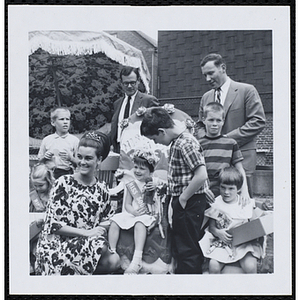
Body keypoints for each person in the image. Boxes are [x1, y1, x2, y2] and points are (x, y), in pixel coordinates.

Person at [35, 131, 120, 275]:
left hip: (85, 245)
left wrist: (100, 228)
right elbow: (52, 224)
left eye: (88, 158)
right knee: (100, 247)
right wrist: (86, 233)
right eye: (79, 157)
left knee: (114, 260)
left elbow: (108, 218)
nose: (82, 162)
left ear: (99, 160)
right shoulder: (64, 183)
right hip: (56, 245)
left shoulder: (102, 188)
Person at [140, 107, 214, 274]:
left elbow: (201, 175)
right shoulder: (178, 142)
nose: (155, 143)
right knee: (181, 243)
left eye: (154, 139)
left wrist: (182, 199)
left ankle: (190, 283)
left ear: (161, 131)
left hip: (190, 201)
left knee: (188, 247)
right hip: (185, 200)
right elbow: (184, 176)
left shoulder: (185, 143)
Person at [197, 53, 266, 197]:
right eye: (205, 75)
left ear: (223, 68)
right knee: (214, 209)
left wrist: (226, 140)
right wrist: (209, 141)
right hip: (213, 164)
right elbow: (200, 125)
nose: (207, 79)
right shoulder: (206, 97)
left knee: (243, 206)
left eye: (211, 73)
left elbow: (258, 121)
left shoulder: (247, 90)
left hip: (242, 160)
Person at [199, 166, 264, 274]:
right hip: (222, 244)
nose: (226, 192)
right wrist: (218, 232)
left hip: (243, 244)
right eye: (223, 187)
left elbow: (256, 225)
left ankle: (253, 289)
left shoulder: (245, 203)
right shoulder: (216, 203)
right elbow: (212, 227)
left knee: (250, 266)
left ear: (238, 188)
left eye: (231, 188)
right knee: (213, 265)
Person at [108, 149, 162, 274]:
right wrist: (133, 212)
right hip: (134, 214)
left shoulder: (155, 183)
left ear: (151, 170)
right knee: (115, 220)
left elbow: (159, 202)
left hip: (148, 215)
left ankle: (136, 260)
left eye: (142, 169)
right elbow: (127, 204)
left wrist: (156, 188)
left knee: (139, 223)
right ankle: (113, 254)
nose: (137, 171)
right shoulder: (131, 184)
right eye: (136, 167)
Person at [199, 102, 250, 202]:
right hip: (204, 192)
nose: (214, 124)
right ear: (204, 120)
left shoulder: (231, 143)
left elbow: (239, 168)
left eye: (218, 120)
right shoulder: (197, 144)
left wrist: (244, 191)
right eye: (211, 120)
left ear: (223, 121)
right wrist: (202, 189)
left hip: (225, 192)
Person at [110, 66, 159, 153]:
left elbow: (157, 126)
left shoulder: (148, 100)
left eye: (132, 82)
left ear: (138, 81)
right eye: (126, 83)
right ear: (121, 83)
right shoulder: (117, 103)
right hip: (118, 149)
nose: (129, 86)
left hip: (140, 150)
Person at [38, 107, 79, 179]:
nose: (65, 122)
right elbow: (40, 162)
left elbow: (80, 163)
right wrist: (45, 158)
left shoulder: (75, 141)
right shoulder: (47, 140)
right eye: (62, 119)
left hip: (67, 175)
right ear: (53, 122)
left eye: (67, 119)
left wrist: (71, 158)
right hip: (49, 175)